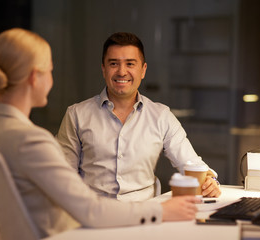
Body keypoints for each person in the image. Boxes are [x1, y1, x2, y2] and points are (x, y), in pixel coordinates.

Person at [0, 28, 201, 238]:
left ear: (143, 69)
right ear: (35, 77)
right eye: (51, 70)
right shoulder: (32, 140)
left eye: (130, 63)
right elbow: (89, 210)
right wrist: (161, 210)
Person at [57, 32, 221, 201]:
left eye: (130, 64)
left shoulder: (161, 116)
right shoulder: (76, 115)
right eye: (114, 63)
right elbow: (62, 176)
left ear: (143, 70)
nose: (122, 72)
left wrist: (210, 181)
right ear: (103, 69)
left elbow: (191, 163)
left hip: (145, 217)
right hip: (93, 216)